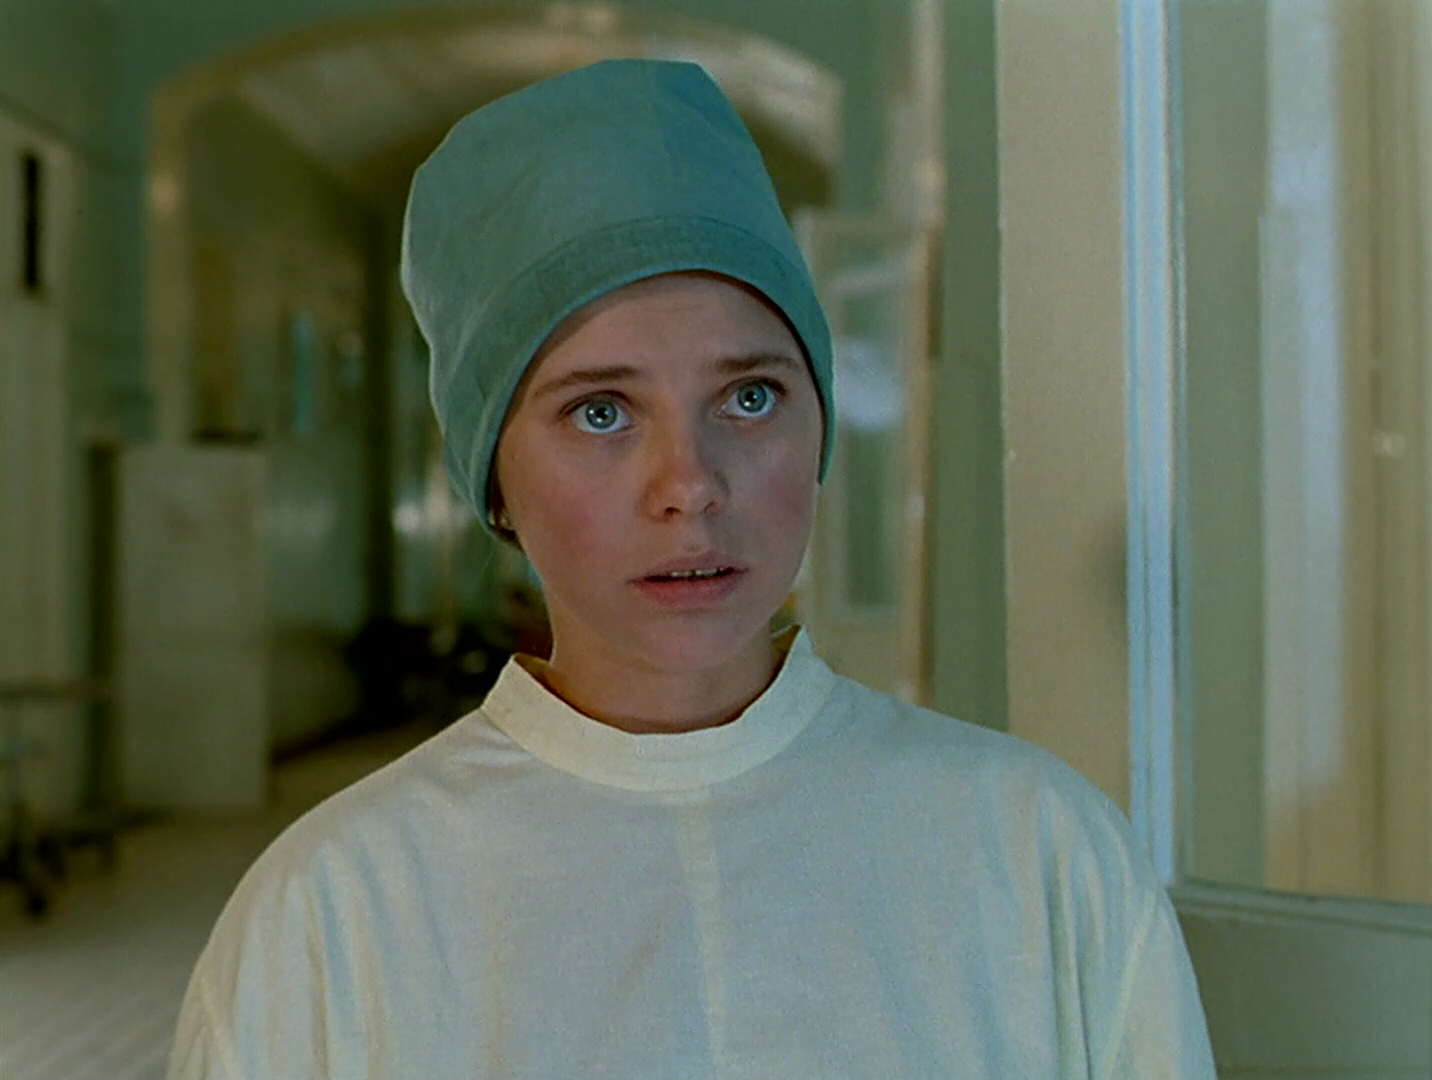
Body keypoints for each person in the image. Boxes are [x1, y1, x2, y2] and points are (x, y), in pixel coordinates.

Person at [167, 58, 1216, 1080]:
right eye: (601, 412)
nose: (690, 485)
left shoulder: (1037, 854)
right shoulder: (338, 916)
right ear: (493, 482)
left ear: (818, 428)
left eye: (750, 397)